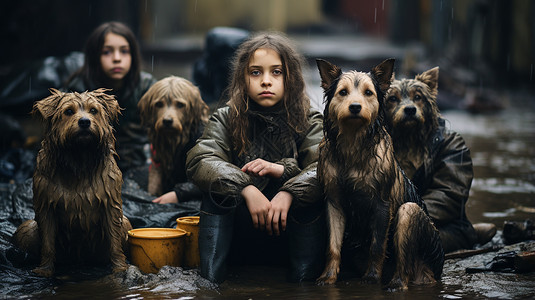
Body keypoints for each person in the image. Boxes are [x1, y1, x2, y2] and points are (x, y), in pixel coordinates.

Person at [185, 32, 326, 283]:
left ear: (290, 77)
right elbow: (201, 159)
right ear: (243, 78)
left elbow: (324, 167)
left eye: (276, 72)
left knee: (311, 198)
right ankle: (210, 283)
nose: (266, 81)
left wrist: (288, 188)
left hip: (289, 236)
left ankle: (304, 284)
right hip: (240, 235)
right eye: (256, 72)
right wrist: (246, 189)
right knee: (216, 194)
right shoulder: (226, 117)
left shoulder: (310, 120)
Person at [64, 21, 156, 173]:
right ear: (94, 56)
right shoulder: (77, 89)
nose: (117, 58)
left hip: (137, 163)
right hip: (88, 166)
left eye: (124, 51)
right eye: (107, 52)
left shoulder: (146, 87)